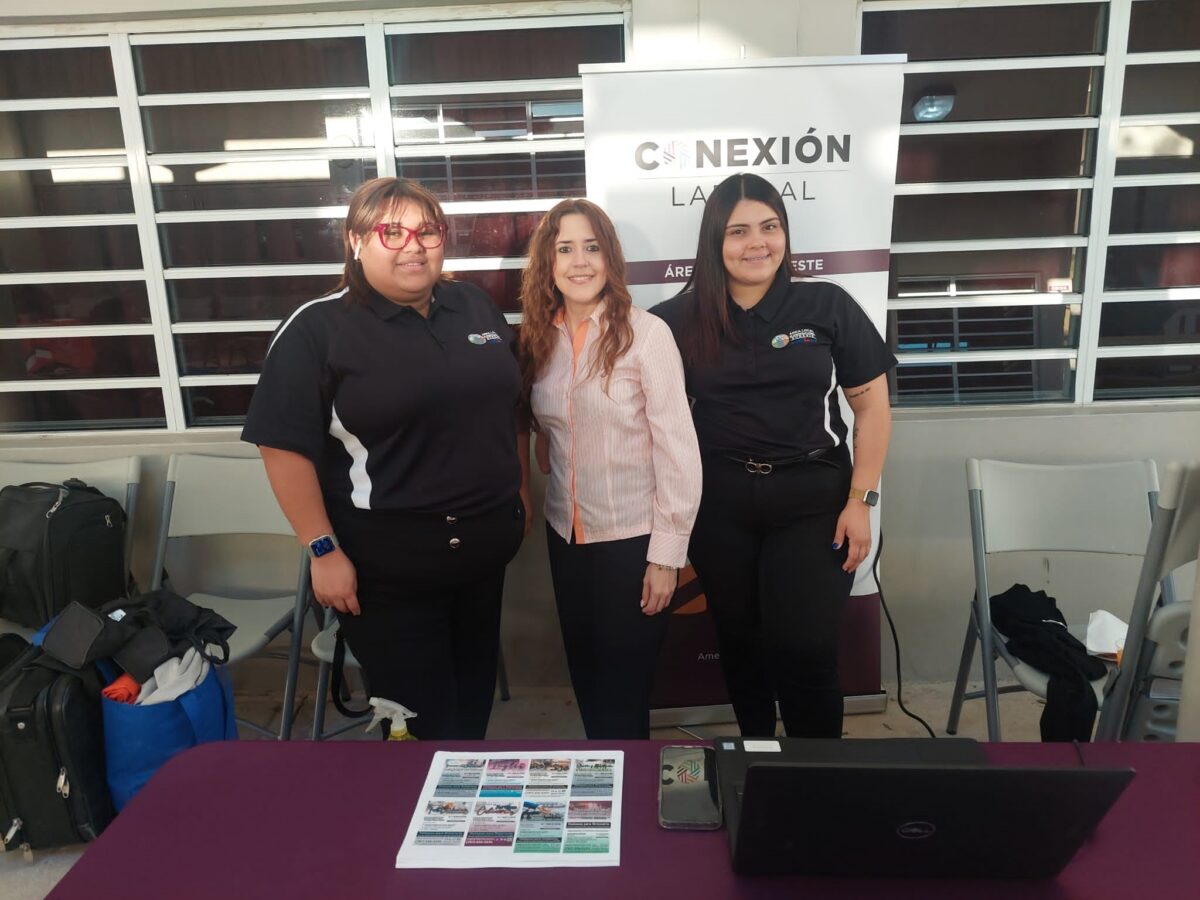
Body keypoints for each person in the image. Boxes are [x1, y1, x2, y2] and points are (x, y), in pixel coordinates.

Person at [242, 176, 530, 740]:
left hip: (482, 552)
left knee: (471, 708)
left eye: (427, 231)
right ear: (355, 240)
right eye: (390, 232)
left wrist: (518, 494)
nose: (413, 245)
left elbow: (511, 407)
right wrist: (322, 549)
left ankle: (463, 810)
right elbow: (282, 447)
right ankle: (423, 821)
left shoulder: (472, 306)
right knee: (418, 722)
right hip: (386, 566)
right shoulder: (317, 329)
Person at [651, 173, 895, 739]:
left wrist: (862, 500)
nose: (756, 242)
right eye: (738, 231)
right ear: (715, 241)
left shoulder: (826, 303)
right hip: (720, 506)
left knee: (807, 647)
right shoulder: (674, 320)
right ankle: (757, 759)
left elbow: (873, 410)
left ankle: (819, 776)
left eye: (770, 227)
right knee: (741, 643)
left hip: (813, 499)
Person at [518, 198, 701, 739]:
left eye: (592, 247)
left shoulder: (647, 335)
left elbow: (679, 450)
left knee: (624, 694)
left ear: (610, 258)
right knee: (588, 681)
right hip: (565, 535)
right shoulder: (538, 337)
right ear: (547, 263)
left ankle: (628, 805)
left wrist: (666, 558)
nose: (579, 262)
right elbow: (548, 422)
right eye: (565, 248)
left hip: (632, 539)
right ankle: (602, 796)